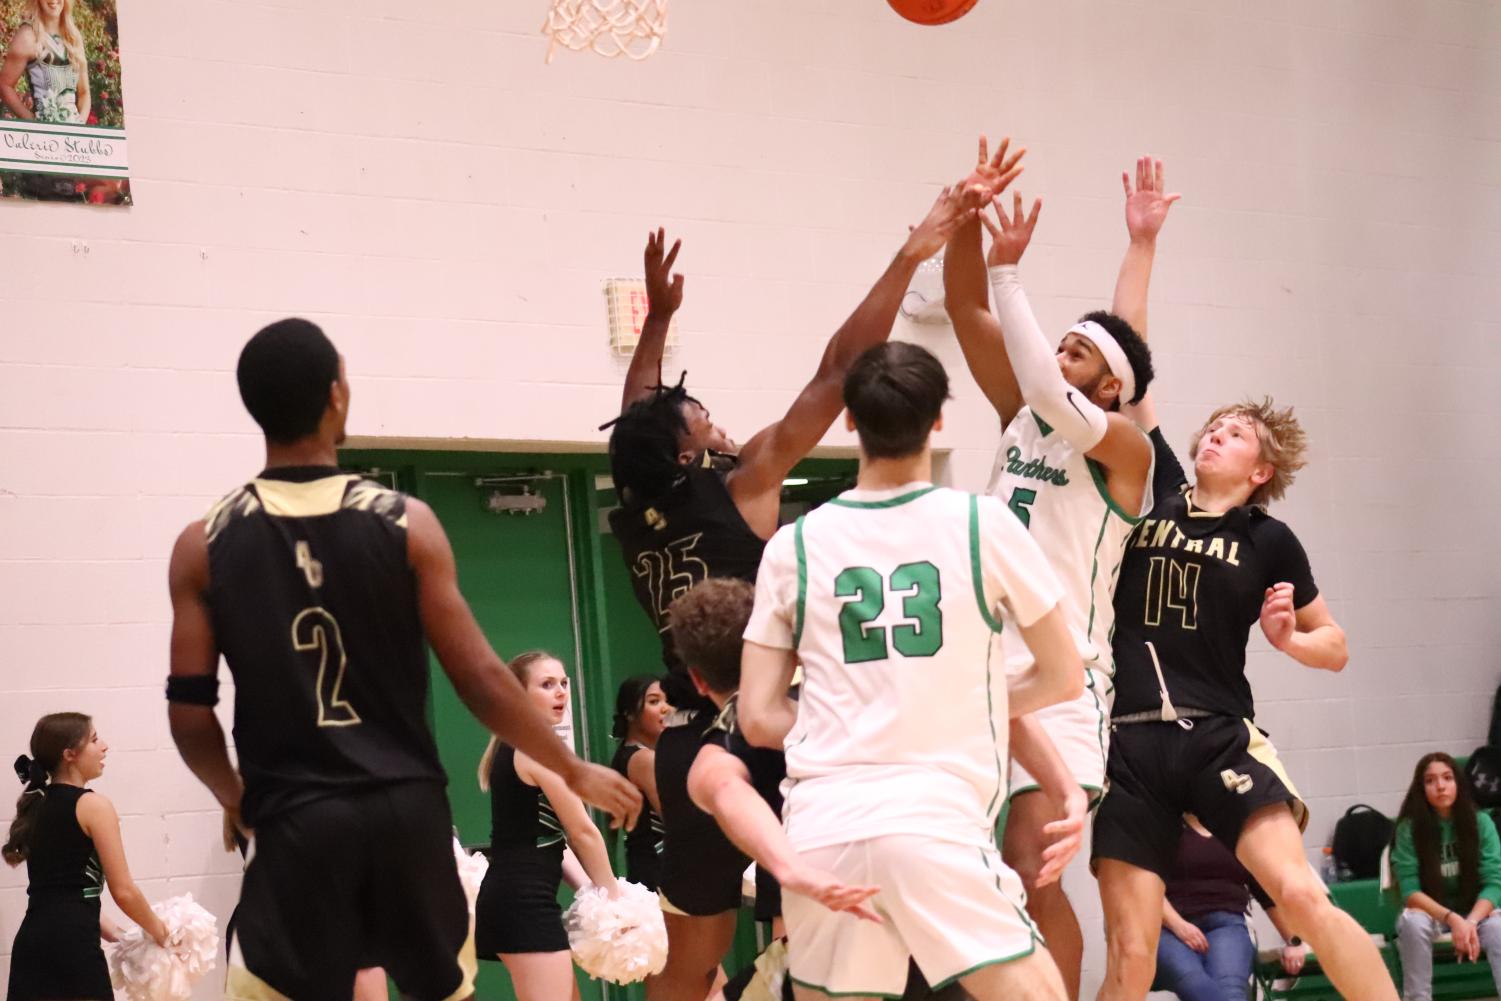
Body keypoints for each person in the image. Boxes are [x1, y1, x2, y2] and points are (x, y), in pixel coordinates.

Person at [165, 318, 640, 1001]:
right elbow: (479, 677)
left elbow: (189, 714)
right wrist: (569, 765)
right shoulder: (405, 521)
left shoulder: (202, 542)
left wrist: (236, 797)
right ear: (338, 397)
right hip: (404, 815)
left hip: (296, 815)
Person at [1089, 219, 1389, 997]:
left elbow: (1339, 645)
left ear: (1261, 470)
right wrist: (1143, 241)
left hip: (1216, 733)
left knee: (1301, 898)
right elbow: (1129, 351)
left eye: (1235, 433)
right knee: (1127, 952)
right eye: (1213, 427)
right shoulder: (1155, 485)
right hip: (1126, 742)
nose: (1216, 434)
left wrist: (1291, 641)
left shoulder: (1268, 539)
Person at [739, 340, 1085, 1001]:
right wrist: (948, 706)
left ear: (849, 420)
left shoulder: (795, 544)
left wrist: (856, 721)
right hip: (932, 817)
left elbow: (758, 715)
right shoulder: (982, 524)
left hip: (821, 828)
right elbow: (1062, 676)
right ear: (937, 421)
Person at [606, 156, 1019, 707]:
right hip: (756, 709)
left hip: (684, 723)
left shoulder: (642, 501)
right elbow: (840, 370)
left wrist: (658, 318)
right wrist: (909, 256)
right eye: (704, 420)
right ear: (685, 455)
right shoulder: (742, 486)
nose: (717, 421)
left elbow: (637, 412)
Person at [943, 143, 1165, 1000]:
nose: (1056, 354)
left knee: (1033, 871)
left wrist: (1012, 277)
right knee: (974, 883)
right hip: (976, 673)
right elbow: (962, 304)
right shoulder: (1021, 418)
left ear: (1110, 388)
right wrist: (965, 216)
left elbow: (1034, 370)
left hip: (1063, 682)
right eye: (1059, 345)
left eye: (1077, 351)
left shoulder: (1126, 451)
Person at [476, 651, 622, 1001]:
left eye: (563, 683)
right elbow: (582, 831)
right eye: (546, 684)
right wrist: (617, 902)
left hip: (517, 902)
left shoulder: (520, 746)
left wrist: (592, 890)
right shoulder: (536, 749)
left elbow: (552, 839)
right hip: (523, 906)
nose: (561, 692)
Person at [5, 713, 169, 1001]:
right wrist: (163, 933)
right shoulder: (94, 806)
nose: (104, 746)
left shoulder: (38, 804)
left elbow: (68, 893)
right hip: (73, 949)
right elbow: (124, 891)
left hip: (31, 946)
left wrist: (123, 936)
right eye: (94, 740)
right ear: (70, 755)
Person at [1391, 752, 1501, 1001]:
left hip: (1475, 913)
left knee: (1498, 927)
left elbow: (1495, 884)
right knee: (1412, 923)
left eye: (1447, 778)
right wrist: (1453, 920)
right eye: (1430, 781)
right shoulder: (1409, 829)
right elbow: (1410, 893)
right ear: (1421, 789)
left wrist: (1470, 922)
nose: (1440, 786)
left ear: (1458, 784)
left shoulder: (1481, 822)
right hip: (1433, 913)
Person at [1155, 821, 1305, 1001]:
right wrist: (1179, 926)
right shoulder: (1161, 825)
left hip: (1226, 924)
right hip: (1171, 928)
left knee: (1229, 990)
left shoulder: (1236, 830)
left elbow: (1265, 893)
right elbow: (1145, 888)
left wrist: (1293, 941)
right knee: (1194, 983)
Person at [611, 674, 671, 890]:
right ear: (629, 713)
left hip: (643, 866)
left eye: (667, 700)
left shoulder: (625, 754)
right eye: (654, 701)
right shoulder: (644, 759)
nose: (665, 708)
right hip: (659, 869)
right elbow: (674, 818)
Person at [0, 0, 90, 123]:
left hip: (72, 138)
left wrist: (80, 124)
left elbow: (84, 93)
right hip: (43, 139)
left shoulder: (73, 37)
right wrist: (33, 122)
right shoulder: (28, 36)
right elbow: (4, 85)